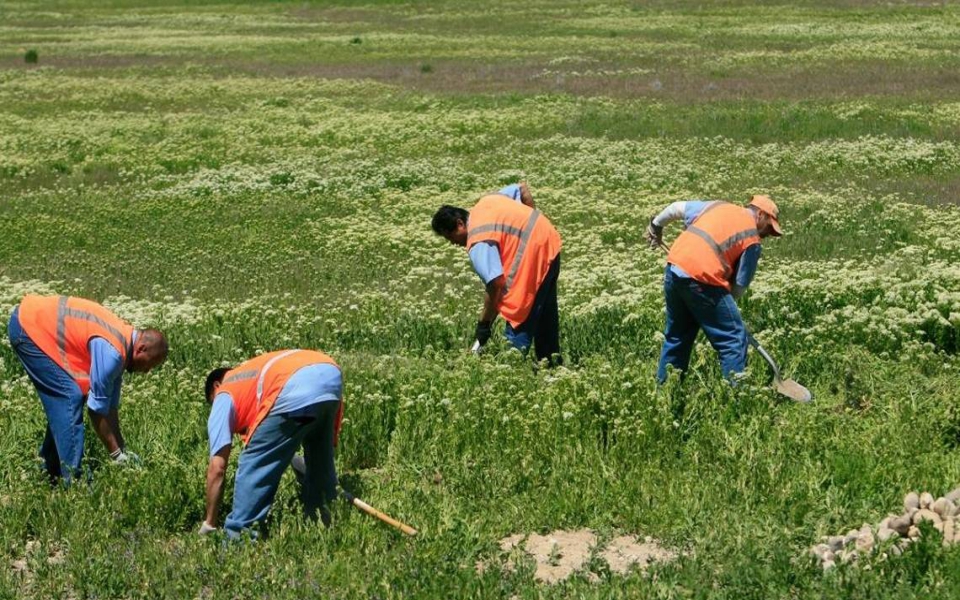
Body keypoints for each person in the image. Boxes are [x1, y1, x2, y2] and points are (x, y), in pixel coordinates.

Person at [7, 294, 168, 483]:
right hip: (29, 327)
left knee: (70, 399)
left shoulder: (121, 346)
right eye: (151, 364)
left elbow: (109, 409)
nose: (147, 371)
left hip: (33, 322)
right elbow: (96, 411)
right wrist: (116, 455)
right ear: (141, 349)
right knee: (69, 397)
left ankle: (50, 472)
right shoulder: (113, 354)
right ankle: (74, 482)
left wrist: (123, 451)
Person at [199, 349, 344, 539]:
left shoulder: (224, 392)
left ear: (216, 386)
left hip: (293, 384)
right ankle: (323, 524)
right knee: (320, 465)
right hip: (330, 376)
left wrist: (209, 523)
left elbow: (217, 467)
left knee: (254, 464)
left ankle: (238, 538)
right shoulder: (250, 376)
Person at [645, 195, 783, 383]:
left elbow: (676, 207)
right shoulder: (752, 240)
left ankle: (666, 396)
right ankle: (738, 400)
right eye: (769, 227)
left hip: (675, 270)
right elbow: (739, 288)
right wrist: (727, 315)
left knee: (677, 337)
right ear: (760, 215)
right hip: (704, 281)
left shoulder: (717, 206)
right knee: (733, 339)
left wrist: (655, 226)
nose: (767, 234)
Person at [431, 184, 563, 365]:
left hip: (533, 258)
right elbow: (522, 189)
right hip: (550, 241)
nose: (453, 243)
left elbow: (495, 284)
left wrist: (484, 325)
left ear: (460, 224)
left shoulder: (478, 240)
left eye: (450, 237)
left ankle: (513, 367)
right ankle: (551, 364)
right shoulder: (486, 202)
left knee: (519, 311)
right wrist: (531, 223)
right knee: (544, 312)